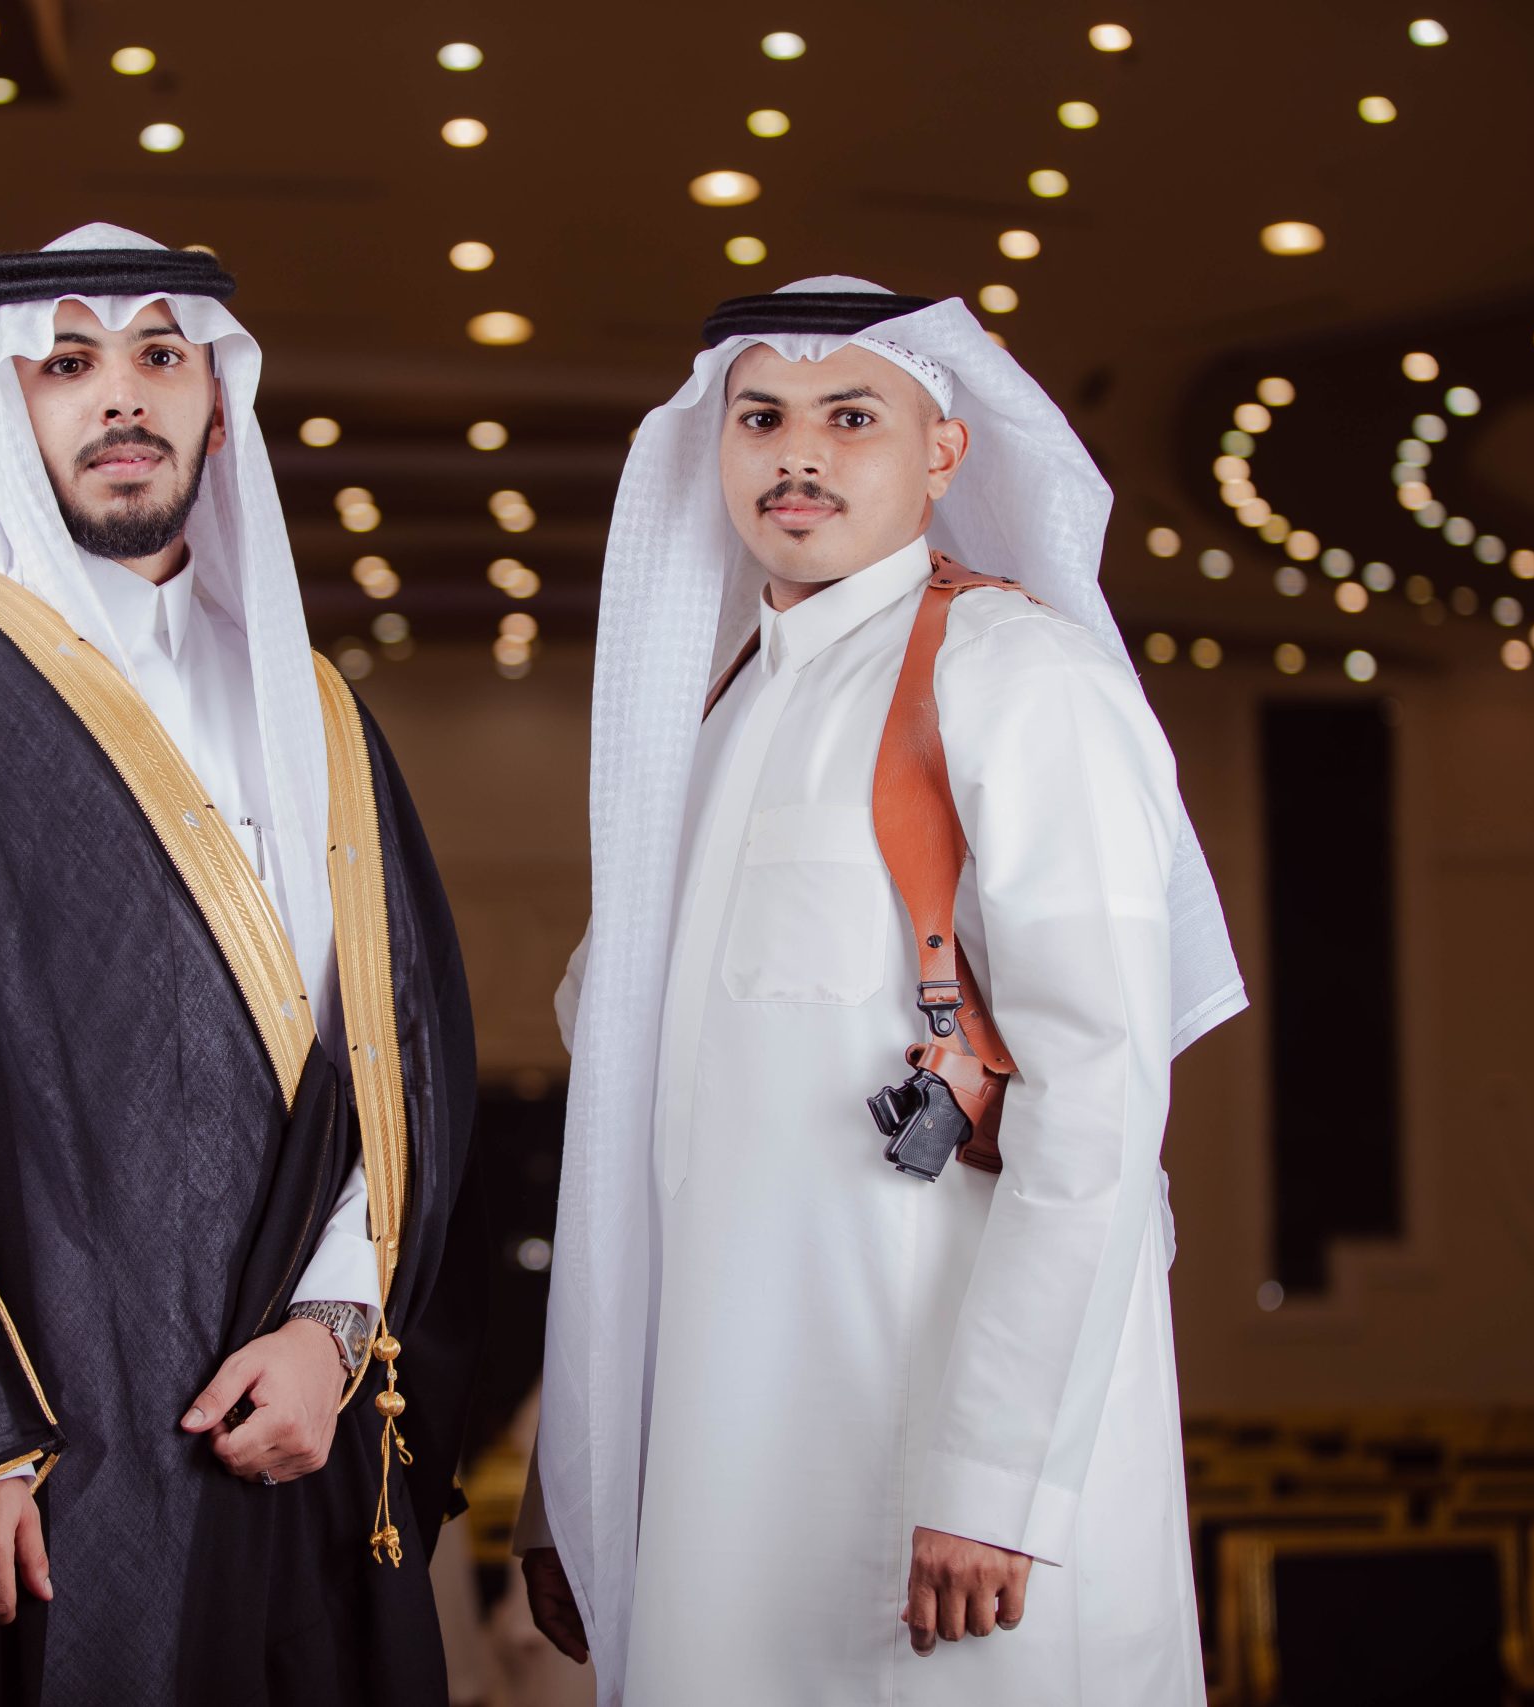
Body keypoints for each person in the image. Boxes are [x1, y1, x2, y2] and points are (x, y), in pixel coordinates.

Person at [0, 222, 485, 1706]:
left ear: (216, 401)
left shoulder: (316, 707)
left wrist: (333, 1331)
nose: (119, 393)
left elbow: (400, 1063)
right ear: (11, 406)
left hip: (292, 1431)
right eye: (69, 363)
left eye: (158, 355)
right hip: (34, 1462)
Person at [515, 277, 1248, 1704]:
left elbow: (1098, 1101)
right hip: (721, 1477)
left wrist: (995, 1474)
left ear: (943, 451)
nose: (799, 452)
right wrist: (585, 1470)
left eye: (851, 417)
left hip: (936, 1492)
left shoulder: (1018, 677)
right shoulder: (722, 708)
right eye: (762, 418)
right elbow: (629, 1125)